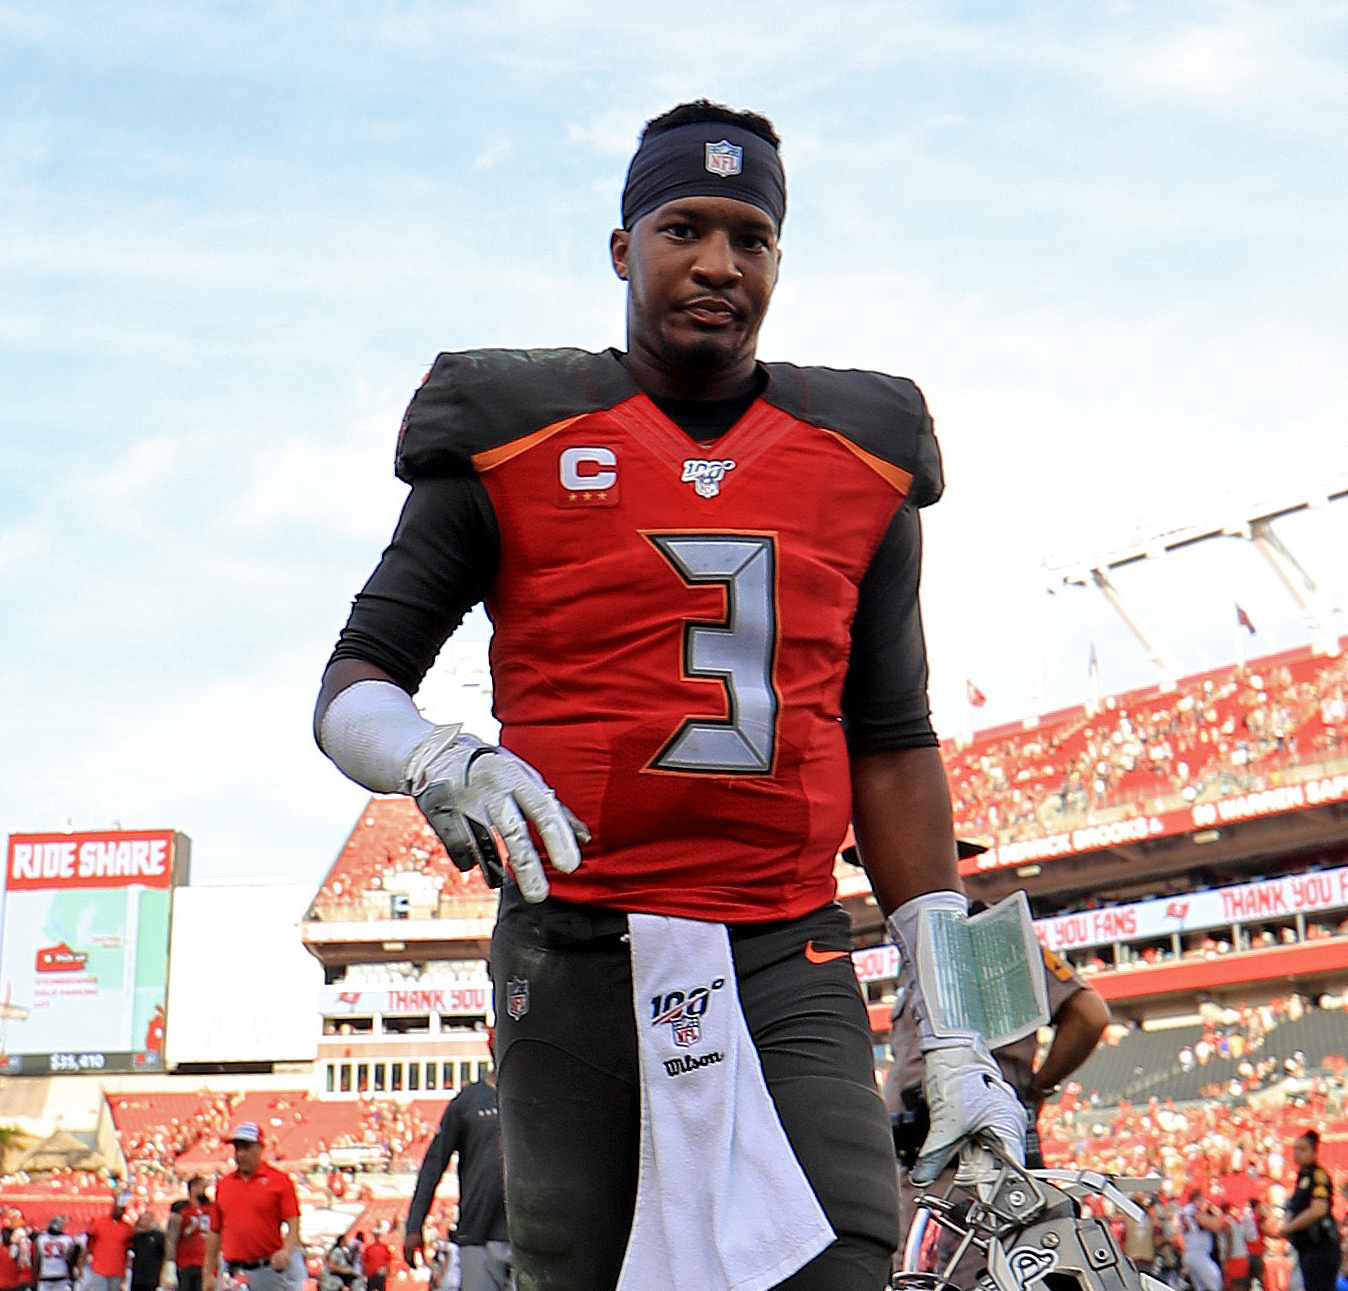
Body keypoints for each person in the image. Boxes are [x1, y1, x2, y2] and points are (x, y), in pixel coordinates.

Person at [313, 98, 1024, 1291]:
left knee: (843, 1258)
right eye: (683, 228)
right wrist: (439, 757)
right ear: (622, 247)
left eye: (750, 238)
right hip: (577, 938)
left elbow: (894, 744)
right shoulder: (512, 432)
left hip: (780, 937)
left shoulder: (861, 455)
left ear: (778, 264)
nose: (716, 262)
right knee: (580, 1275)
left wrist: (951, 1023)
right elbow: (354, 680)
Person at [886, 924, 1110, 1173]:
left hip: (971, 1163)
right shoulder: (921, 938)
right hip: (932, 1159)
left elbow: (1089, 1015)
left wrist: (1038, 1089)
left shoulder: (980, 931)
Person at [404, 1058, 506, 1291]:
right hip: (478, 1235)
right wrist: (414, 1224)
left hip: (529, 1235)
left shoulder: (535, 1099)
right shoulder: (466, 1103)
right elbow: (433, 1164)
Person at [212, 1123, 302, 1291]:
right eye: (238, 1149)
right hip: (231, 1271)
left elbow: (293, 1222)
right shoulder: (224, 1184)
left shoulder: (278, 1181)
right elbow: (214, 1230)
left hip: (266, 1269)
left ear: (260, 1148)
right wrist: (208, 1272)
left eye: (246, 1148)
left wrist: (286, 1251)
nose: (240, 1154)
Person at [1279, 1131, 1341, 1291]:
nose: (1297, 1154)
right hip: (1306, 1249)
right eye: (1296, 1149)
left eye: (1303, 1149)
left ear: (1314, 1151)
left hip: (1320, 1247)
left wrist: (1289, 1227)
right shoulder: (1302, 1177)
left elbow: (1318, 1209)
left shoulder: (1318, 1176)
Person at [166, 1178, 218, 1291]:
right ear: (193, 1188)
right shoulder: (181, 1209)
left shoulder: (212, 1208)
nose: (204, 1190)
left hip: (207, 1262)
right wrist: (170, 1262)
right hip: (186, 1262)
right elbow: (171, 1236)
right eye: (201, 1187)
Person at [82, 1199, 131, 1291]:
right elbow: (89, 1244)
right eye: (116, 1209)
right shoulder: (99, 1223)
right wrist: (81, 1263)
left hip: (118, 1270)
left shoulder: (127, 1228)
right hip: (99, 1269)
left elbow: (128, 1250)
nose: (118, 1211)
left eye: (121, 1209)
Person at [29, 1221, 76, 1291]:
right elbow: (71, 1259)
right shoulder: (67, 1239)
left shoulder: (41, 1239)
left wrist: (33, 1278)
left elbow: (37, 1261)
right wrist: (72, 1274)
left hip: (45, 1274)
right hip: (61, 1273)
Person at [126, 1215, 164, 1291]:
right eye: (143, 1220)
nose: (145, 1222)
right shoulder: (135, 1237)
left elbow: (163, 1253)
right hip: (137, 1277)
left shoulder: (158, 1236)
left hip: (152, 1277)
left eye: (147, 1220)